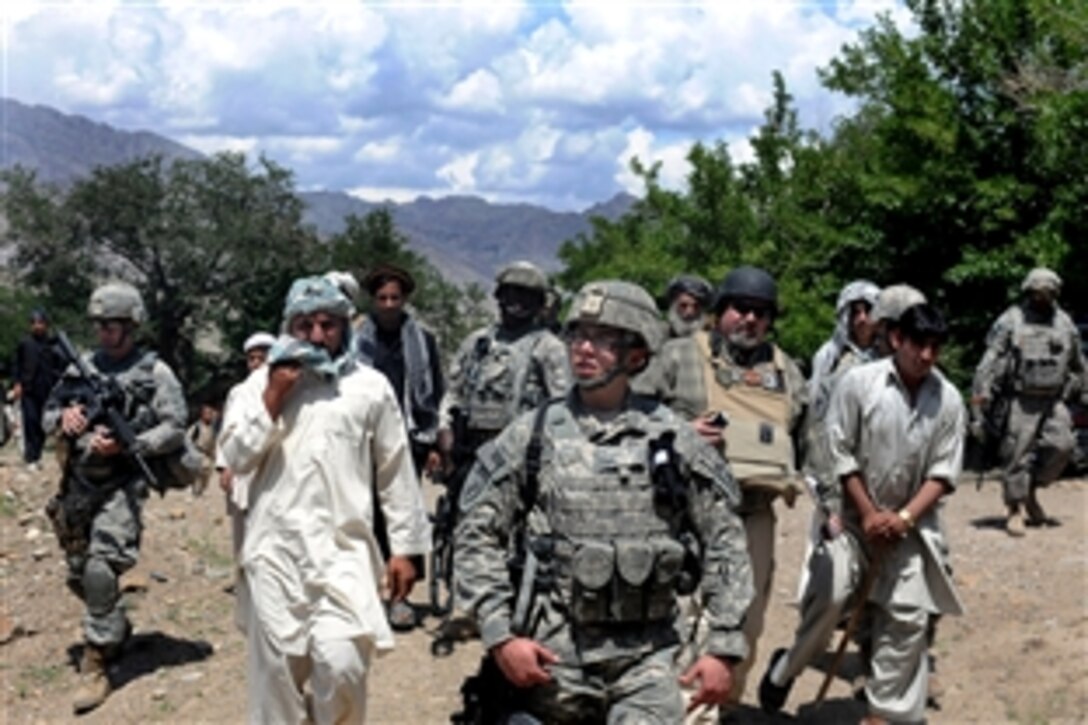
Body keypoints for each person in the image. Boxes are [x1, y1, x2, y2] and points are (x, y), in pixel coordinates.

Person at [454, 280, 754, 722]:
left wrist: (725, 646)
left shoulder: (675, 440)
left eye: (603, 339)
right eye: (578, 335)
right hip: (553, 659)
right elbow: (476, 531)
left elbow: (725, 540)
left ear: (637, 355)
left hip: (650, 658)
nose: (584, 349)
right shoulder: (531, 434)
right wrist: (501, 636)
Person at [217, 275, 431, 723]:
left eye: (328, 325)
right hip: (273, 553)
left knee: (343, 665)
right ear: (287, 327)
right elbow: (234, 457)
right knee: (276, 679)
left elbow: (395, 470)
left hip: (344, 554)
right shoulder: (255, 388)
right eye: (304, 325)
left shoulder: (369, 386)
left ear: (345, 327)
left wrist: (405, 548)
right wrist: (274, 395)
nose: (316, 336)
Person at [770, 304, 965, 723]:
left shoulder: (948, 398)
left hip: (910, 529)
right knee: (833, 595)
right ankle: (787, 667)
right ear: (896, 339)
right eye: (919, 345)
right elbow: (838, 452)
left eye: (935, 347)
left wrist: (904, 519)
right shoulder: (859, 383)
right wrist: (869, 513)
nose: (927, 356)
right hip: (854, 521)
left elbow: (944, 473)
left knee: (907, 619)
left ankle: (883, 713)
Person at [42, 282, 188, 713]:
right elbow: (50, 411)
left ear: (132, 326)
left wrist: (131, 445)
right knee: (78, 574)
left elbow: (175, 425)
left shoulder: (155, 372)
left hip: (122, 484)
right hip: (78, 483)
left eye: (114, 326)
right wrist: (65, 418)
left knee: (102, 566)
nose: (106, 332)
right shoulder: (80, 368)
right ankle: (115, 626)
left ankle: (97, 661)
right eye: (101, 325)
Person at [355, 263, 445, 631]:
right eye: (382, 298)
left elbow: (435, 392)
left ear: (405, 299)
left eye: (395, 297)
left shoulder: (423, 340)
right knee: (368, 513)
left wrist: (437, 440)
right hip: (366, 438)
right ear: (373, 300)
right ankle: (370, 591)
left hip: (411, 437)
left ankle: (401, 596)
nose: (389, 304)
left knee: (405, 513)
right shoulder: (357, 340)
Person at [972, 268, 1085, 537]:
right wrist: (979, 401)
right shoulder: (1011, 320)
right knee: (1016, 454)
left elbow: (1079, 363)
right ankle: (1015, 509)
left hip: (1053, 398)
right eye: (1036, 293)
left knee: (1063, 446)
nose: (1041, 298)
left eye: (1047, 293)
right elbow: (989, 361)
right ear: (1028, 292)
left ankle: (1031, 489)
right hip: (1021, 399)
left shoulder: (1064, 323)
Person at [12, 308, 61, 471]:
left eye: (40, 323)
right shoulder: (25, 343)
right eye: (34, 323)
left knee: (43, 423)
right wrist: (17, 383)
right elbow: (17, 364)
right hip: (29, 388)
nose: (37, 326)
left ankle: (38, 455)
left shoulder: (52, 344)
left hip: (47, 389)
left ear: (46, 325)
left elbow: (59, 366)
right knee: (30, 422)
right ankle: (31, 457)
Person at [186, 401, 220, 496]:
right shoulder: (196, 427)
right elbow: (188, 440)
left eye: (210, 414)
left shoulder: (212, 427)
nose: (209, 415)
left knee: (207, 475)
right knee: (199, 473)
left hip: (209, 455)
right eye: (207, 413)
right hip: (198, 453)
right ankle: (195, 492)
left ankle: (200, 491)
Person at [664, 274, 713, 338]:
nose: (689, 312)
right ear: (673, 306)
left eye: (696, 306)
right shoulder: (658, 335)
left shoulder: (714, 340)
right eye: (683, 305)